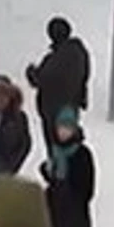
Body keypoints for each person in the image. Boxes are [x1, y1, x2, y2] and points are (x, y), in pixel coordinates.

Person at [41, 107, 96, 227]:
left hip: (74, 211)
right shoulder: (56, 151)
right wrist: (47, 171)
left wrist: (72, 194)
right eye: (61, 127)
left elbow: (87, 185)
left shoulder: (82, 153)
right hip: (55, 207)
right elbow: (53, 177)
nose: (63, 132)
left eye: (67, 128)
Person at [25, 18, 91, 146]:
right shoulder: (80, 52)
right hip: (71, 106)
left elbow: (43, 79)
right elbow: (85, 76)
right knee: (68, 145)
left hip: (55, 109)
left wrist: (31, 72)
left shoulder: (57, 57)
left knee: (58, 148)